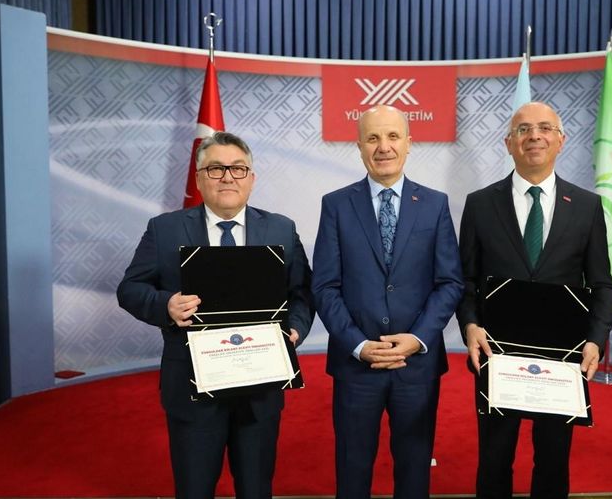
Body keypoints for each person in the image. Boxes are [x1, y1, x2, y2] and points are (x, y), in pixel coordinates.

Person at [117, 132, 314, 499]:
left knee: (256, 489)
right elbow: (129, 289)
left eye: (238, 169)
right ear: (198, 178)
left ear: (251, 178)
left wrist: (295, 331)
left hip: (260, 385)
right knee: (194, 489)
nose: (227, 177)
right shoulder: (165, 229)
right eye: (215, 169)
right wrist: (166, 305)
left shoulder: (281, 229)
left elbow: (301, 293)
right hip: (192, 388)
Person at [456, 101, 612, 499]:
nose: (534, 136)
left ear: (561, 140)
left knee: (553, 461)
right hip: (495, 354)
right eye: (523, 129)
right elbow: (465, 280)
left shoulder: (587, 206)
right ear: (509, 142)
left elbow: (602, 284)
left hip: (562, 359)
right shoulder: (480, 204)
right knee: (494, 460)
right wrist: (470, 325)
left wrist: (595, 340)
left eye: (545, 128)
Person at [311, 105, 463, 499]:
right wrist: (358, 344)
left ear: (409, 143)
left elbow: (449, 282)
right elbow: (324, 286)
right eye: (373, 138)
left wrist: (418, 338)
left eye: (393, 136)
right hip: (355, 364)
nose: (384, 147)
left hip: (417, 365)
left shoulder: (434, 203)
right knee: (352, 469)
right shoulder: (336, 205)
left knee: (414, 469)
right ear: (359, 146)